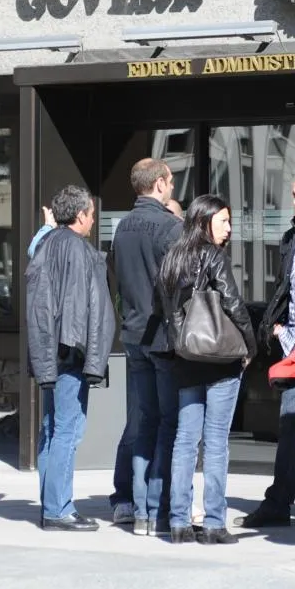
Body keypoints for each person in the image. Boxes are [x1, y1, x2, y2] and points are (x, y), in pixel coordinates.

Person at [156, 195, 257, 545]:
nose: (229, 229)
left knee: (185, 441)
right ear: (204, 221)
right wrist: (250, 344)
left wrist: (181, 346)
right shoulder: (213, 256)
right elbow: (232, 302)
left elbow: (167, 310)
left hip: (187, 358)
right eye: (224, 221)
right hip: (220, 358)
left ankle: (179, 522)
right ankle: (214, 522)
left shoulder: (172, 258)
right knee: (216, 443)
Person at [236, 170, 295, 529]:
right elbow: (285, 289)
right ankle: (279, 504)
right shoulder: (292, 238)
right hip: (293, 349)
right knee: (291, 426)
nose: (294, 201)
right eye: (293, 194)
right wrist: (273, 327)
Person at [26, 185, 117, 532]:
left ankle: (53, 505)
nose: (93, 220)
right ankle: (58, 509)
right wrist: (85, 355)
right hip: (69, 352)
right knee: (66, 431)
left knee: (52, 430)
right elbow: (80, 308)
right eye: (92, 214)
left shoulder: (46, 244)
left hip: (53, 351)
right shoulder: (76, 249)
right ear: (80, 215)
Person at [110, 159, 183, 536]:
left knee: (143, 422)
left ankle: (139, 511)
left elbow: (117, 282)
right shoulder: (169, 227)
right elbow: (182, 284)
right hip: (162, 337)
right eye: (170, 181)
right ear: (158, 184)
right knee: (167, 423)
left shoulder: (122, 227)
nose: (172, 187)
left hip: (133, 335)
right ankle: (157, 510)